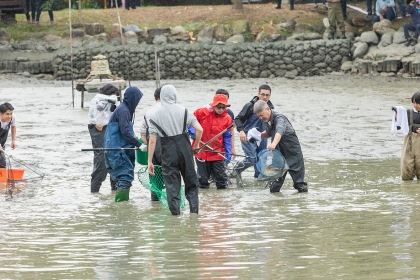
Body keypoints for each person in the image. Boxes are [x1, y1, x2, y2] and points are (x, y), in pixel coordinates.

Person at [147, 85, 203, 215]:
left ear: (161, 97)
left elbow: (152, 140)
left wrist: (150, 161)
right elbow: (200, 129)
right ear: (175, 95)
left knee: (172, 186)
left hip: (167, 151)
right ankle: (194, 213)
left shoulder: (154, 116)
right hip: (185, 149)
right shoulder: (184, 111)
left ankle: (176, 216)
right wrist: (195, 146)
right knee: (191, 182)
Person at [253, 100, 308, 193]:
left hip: (293, 152)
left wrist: (273, 143)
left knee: (299, 184)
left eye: (261, 115)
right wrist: (257, 135)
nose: (260, 118)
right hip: (278, 153)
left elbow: (279, 131)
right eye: (258, 116)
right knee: (274, 185)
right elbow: (269, 133)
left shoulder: (280, 118)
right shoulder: (267, 120)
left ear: (267, 109)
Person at [104, 87, 143, 202]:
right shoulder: (124, 111)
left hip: (116, 149)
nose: (139, 102)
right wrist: (139, 145)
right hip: (117, 150)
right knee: (125, 178)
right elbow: (125, 131)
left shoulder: (123, 109)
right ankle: (122, 209)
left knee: (119, 178)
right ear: (133, 98)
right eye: (138, 99)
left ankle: (118, 207)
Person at [234, 84, 274, 179]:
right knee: (252, 159)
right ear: (258, 94)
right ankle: (237, 170)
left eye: (267, 95)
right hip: (248, 136)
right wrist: (241, 131)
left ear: (270, 96)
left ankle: (258, 180)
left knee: (261, 159)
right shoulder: (250, 106)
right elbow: (238, 119)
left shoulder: (270, 108)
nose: (264, 97)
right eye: (262, 94)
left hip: (262, 136)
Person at [193, 94, 232, 190]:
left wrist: (228, 152)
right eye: (219, 107)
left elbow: (227, 137)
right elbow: (189, 122)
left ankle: (221, 200)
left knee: (221, 180)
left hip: (217, 152)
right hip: (201, 150)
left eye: (224, 107)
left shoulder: (227, 118)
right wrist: (193, 133)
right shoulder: (201, 113)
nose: (221, 109)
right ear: (213, 105)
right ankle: (205, 200)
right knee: (203, 181)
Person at [88, 84, 119, 193]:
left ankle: (114, 191)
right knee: (101, 161)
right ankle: (94, 192)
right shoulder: (100, 102)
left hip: (109, 129)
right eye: (113, 96)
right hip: (100, 129)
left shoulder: (107, 102)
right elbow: (99, 124)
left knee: (114, 159)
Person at [140, 87, 162, 201]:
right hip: (168, 148)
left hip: (153, 149)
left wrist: (150, 145)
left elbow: (143, 135)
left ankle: (155, 203)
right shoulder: (171, 111)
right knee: (170, 177)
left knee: (154, 179)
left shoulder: (148, 113)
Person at [399, 92, 420, 180]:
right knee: (407, 164)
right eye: (413, 102)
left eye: (417, 103)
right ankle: (408, 191)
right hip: (410, 141)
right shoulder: (408, 113)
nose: (415, 105)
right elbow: (401, 126)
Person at [0, 103, 16, 168]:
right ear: (0, 114)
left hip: (2, 141)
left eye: (11, 113)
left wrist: (13, 141)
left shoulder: (13, 117)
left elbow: (13, 127)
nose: (9, 116)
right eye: (7, 114)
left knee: (2, 162)